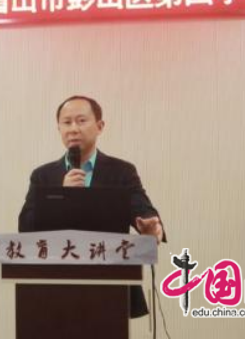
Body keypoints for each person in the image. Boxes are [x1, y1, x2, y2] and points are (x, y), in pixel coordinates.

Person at [18, 95, 165, 318]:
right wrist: (61, 194)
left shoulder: (122, 172)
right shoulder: (43, 176)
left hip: (110, 285)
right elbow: (26, 226)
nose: (73, 129)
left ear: (100, 126)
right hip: (54, 284)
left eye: (81, 121)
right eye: (66, 122)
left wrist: (152, 229)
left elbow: (143, 210)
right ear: (58, 129)